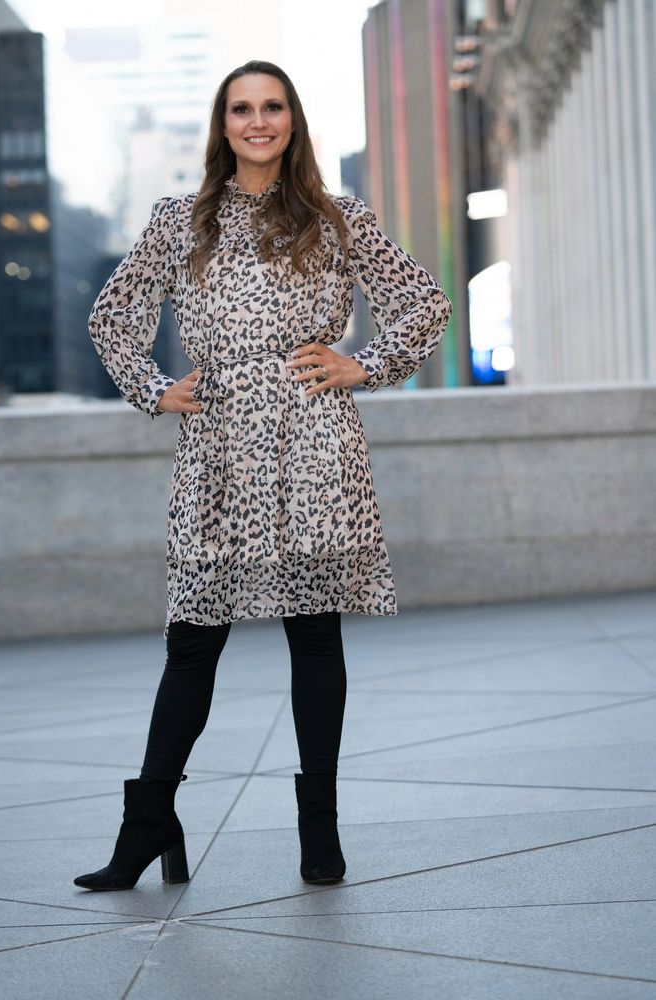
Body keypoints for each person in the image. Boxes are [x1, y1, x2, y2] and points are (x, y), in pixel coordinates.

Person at [73, 60, 452, 893]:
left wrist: (365, 365)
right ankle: (147, 824)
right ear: (222, 124)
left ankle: (320, 828)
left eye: (272, 106)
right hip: (216, 445)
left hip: (312, 437)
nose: (257, 121)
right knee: (191, 637)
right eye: (241, 108)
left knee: (313, 632)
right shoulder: (180, 220)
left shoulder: (337, 216)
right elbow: (112, 317)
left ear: (291, 120)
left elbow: (425, 303)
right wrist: (151, 388)